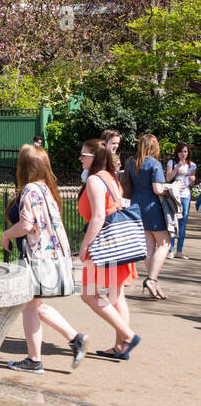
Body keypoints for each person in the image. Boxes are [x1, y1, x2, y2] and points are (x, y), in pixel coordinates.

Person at [1, 144, 86, 373]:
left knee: (30, 307)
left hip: (36, 257)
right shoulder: (46, 189)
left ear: (24, 166)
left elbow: (26, 225)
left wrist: (7, 234)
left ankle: (34, 360)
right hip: (53, 255)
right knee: (36, 305)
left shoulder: (30, 190)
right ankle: (75, 338)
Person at [78, 138, 142, 357]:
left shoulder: (95, 180)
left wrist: (84, 246)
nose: (80, 158)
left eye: (84, 155)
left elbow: (98, 216)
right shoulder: (110, 177)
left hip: (101, 245)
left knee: (88, 294)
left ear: (94, 158)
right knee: (116, 295)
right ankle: (121, 347)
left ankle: (127, 336)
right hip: (116, 245)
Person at [126, 133, 170, 300]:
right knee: (164, 243)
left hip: (136, 205)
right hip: (152, 206)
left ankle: (154, 282)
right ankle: (152, 280)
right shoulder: (154, 164)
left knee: (149, 247)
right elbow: (158, 189)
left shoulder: (131, 161)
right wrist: (171, 189)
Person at [166, 143, 195, 258]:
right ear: (177, 153)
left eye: (185, 152)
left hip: (186, 196)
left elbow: (191, 184)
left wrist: (192, 180)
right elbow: (168, 178)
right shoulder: (171, 163)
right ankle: (171, 250)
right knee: (173, 221)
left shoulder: (192, 165)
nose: (183, 154)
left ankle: (180, 251)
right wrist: (177, 167)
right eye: (181, 151)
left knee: (182, 224)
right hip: (174, 195)